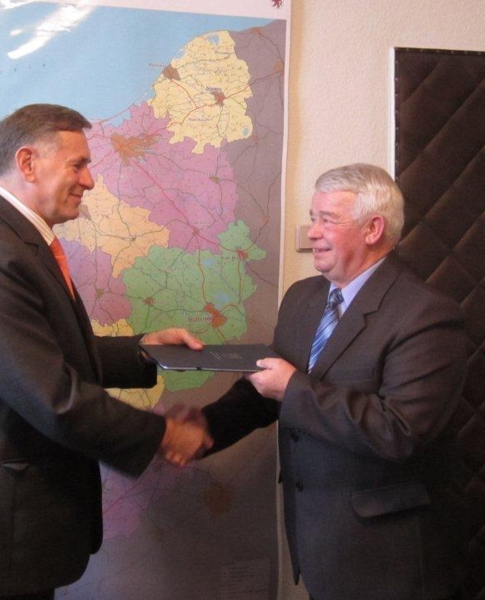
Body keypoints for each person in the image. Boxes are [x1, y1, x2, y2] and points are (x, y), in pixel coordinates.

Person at [0, 103, 211, 600]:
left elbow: (43, 353)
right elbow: (50, 395)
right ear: (28, 163)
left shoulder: (14, 242)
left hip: (9, 529)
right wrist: (164, 434)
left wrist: (141, 351)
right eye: (78, 165)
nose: (89, 181)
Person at [189, 163, 468, 600]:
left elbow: (399, 431)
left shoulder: (425, 315)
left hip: (386, 561)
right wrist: (200, 431)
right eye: (312, 218)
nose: (313, 232)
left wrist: (293, 388)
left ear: (373, 228)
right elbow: (267, 392)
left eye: (327, 220)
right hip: (318, 544)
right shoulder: (302, 298)